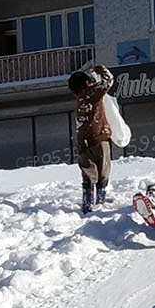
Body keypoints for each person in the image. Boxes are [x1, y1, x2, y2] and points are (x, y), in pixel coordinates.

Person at [69, 64, 115, 215]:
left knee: (88, 175)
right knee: (103, 173)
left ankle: (87, 205)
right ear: (86, 83)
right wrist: (101, 69)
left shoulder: (79, 101)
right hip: (99, 139)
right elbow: (108, 81)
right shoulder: (91, 93)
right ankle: (100, 203)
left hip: (83, 143)